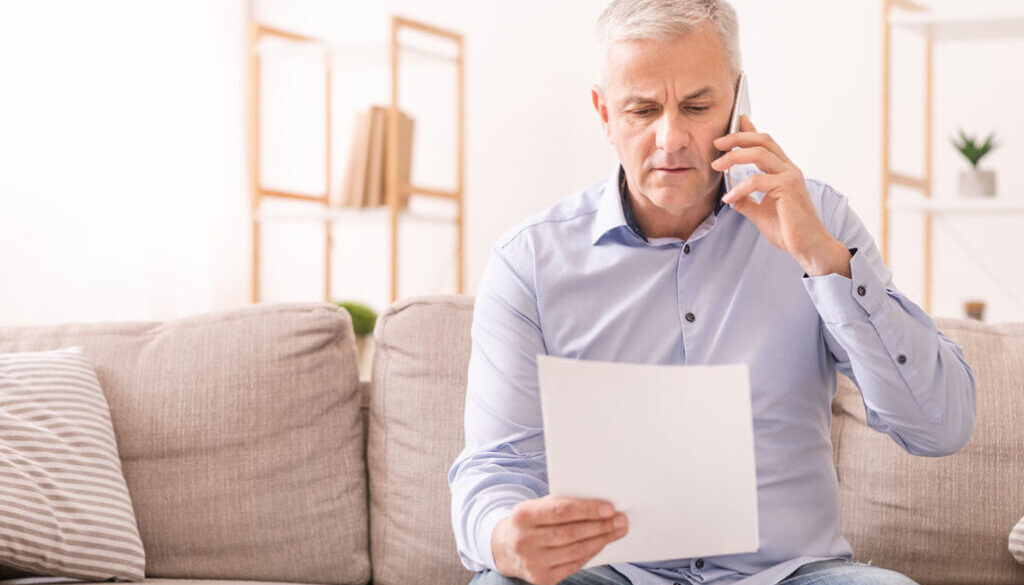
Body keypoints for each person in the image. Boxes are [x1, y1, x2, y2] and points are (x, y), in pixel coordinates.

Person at [448, 1, 977, 585]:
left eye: (697, 106)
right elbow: (496, 467)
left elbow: (941, 428)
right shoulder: (529, 262)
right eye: (642, 109)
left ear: (738, 101)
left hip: (790, 574)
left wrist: (826, 263)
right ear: (603, 113)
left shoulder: (818, 219)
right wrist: (505, 537)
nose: (670, 139)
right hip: (606, 575)